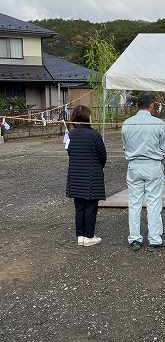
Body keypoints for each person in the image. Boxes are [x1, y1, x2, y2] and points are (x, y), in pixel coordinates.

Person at [122, 92, 165, 250]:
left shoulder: (127, 123)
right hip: (153, 165)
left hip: (134, 165)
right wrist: (158, 155)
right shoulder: (158, 123)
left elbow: (125, 146)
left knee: (134, 203)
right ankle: (155, 238)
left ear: (138, 105)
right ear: (151, 105)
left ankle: (135, 238)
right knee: (154, 202)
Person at [66, 105, 107, 247]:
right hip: (91, 176)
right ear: (86, 117)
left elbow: (69, 152)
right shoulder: (94, 135)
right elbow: (103, 156)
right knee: (91, 207)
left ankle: (80, 236)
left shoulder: (70, 134)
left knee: (79, 208)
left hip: (75, 176)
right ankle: (89, 236)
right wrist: (97, 166)